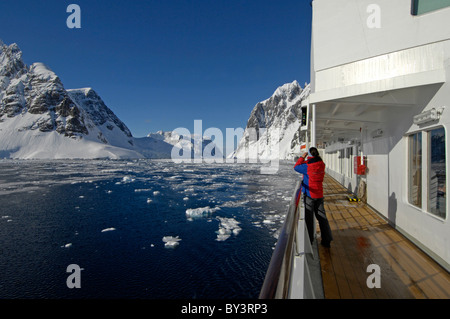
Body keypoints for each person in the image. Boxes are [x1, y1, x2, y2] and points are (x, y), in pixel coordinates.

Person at [294, 147, 333, 248]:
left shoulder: (308, 166)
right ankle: (327, 240)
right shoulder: (321, 164)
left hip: (310, 194)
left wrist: (302, 157)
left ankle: (309, 240)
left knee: (309, 218)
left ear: (309, 156)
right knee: (322, 217)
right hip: (319, 194)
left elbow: (296, 167)